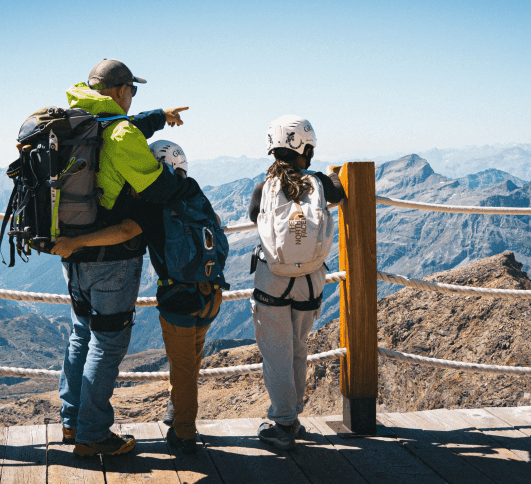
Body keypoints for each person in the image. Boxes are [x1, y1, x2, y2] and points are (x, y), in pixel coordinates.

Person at [52, 59, 191, 457]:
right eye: (133, 90)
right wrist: (180, 178)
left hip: (73, 252)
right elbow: (160, 187)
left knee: (81, 335)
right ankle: (94, 436)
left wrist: (157, 118)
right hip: (112, 257)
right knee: (108, 344)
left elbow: (115, 132)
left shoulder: (77, 119)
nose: (133, 97)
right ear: (120, 90)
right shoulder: (122, 133)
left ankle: (72, 421)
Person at [53, 140, 226, 456]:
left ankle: (183, 435)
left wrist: (76, 244)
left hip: (177, 298)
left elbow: (122, 232)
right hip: (212, 293)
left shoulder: (153, 203)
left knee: (180, 368)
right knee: (190, 366)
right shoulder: (195, 193)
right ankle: (175, 420)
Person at [248, 115, 345, 450]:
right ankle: (293, 417)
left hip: (272, 281)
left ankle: (284, 423)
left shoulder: (264, 187)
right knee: (298, 350)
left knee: (276, 355)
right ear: (307, 148)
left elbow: (253, 216)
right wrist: (331, 175)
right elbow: (339, 192)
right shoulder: (320, 183)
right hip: (310, 281)